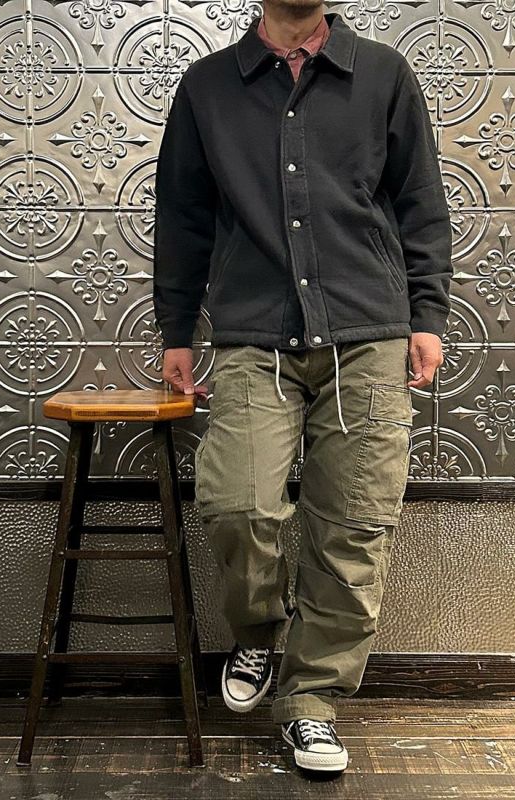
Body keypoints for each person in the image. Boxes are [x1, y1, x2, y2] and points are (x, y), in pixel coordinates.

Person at [153, 0, 452, 774]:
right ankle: (261, 631)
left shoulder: (383, 75)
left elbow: (420, 201)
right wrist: (177, 328)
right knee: (238, 503)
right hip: (254, 335)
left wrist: (428, 315)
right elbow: (182, 215)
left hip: (368, 333)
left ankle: (311, 702)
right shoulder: (207, 86)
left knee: (354, 527)